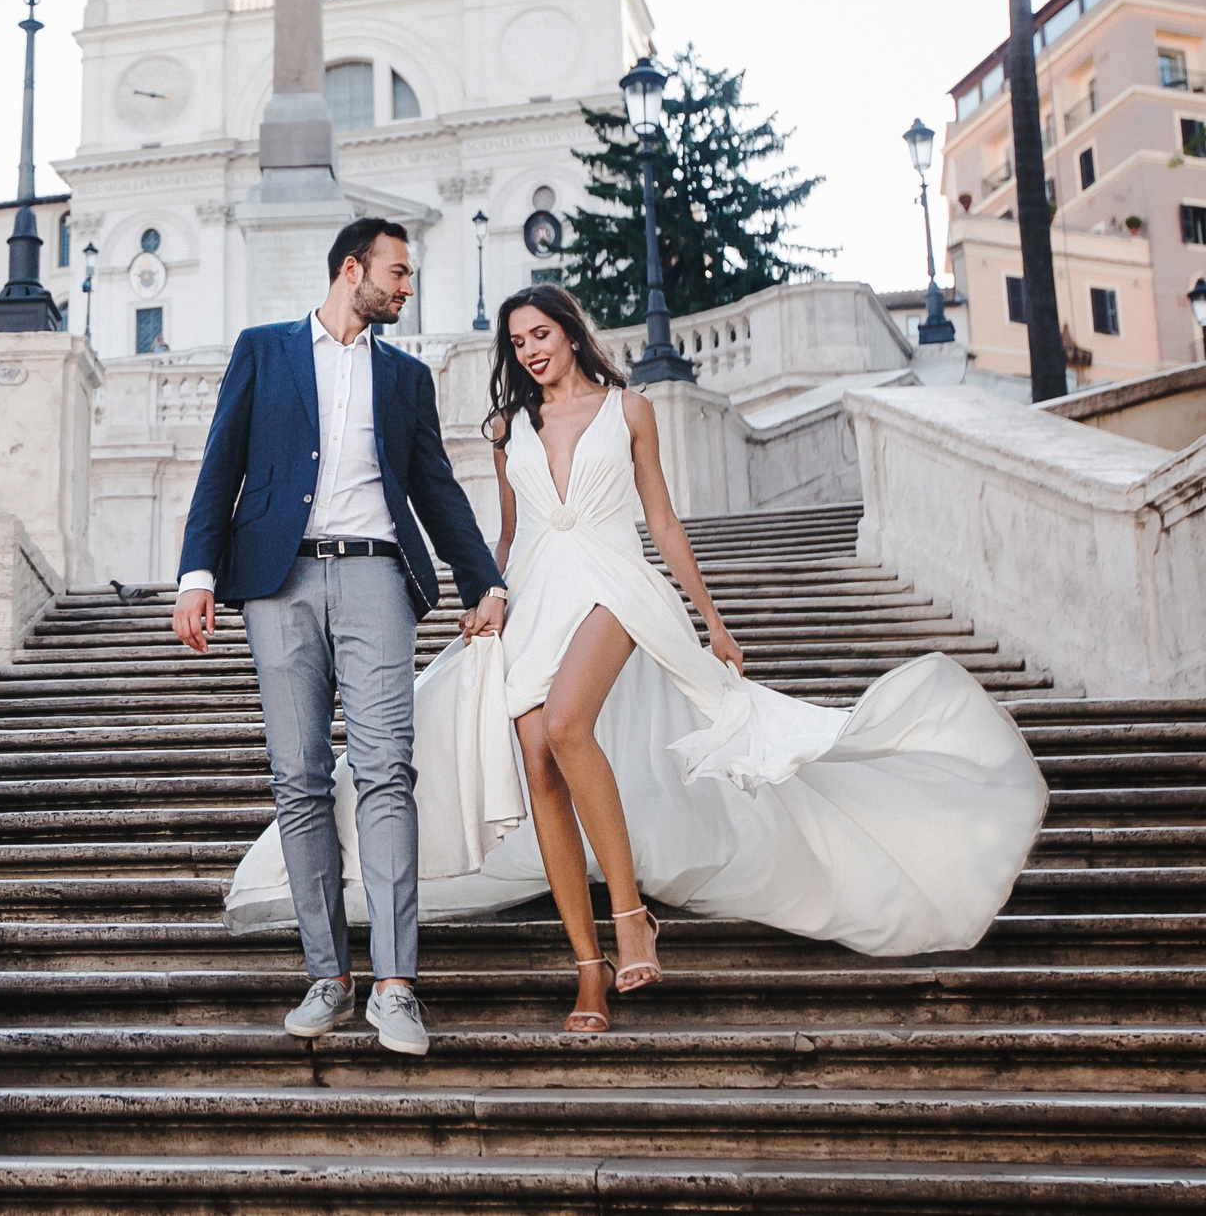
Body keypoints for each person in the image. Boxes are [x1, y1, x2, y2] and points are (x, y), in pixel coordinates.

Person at [223, 282, 1047, 1035]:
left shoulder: (631, 409)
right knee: (537, 758)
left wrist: (712, 621)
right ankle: (588, 971)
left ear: (572, 333)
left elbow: (662, 519)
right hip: (538, 592)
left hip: (616, 581)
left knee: (571, 724)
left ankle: (630, 917)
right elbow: (509, 538)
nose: (530, 350)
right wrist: (488, 597)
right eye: (517, 342)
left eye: (541, 332)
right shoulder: (512, 429)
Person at [172, 218, 507, 1056]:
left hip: (377, 578)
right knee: (299, 777)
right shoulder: (264, 350)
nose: (407, 286)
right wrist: (196, 574)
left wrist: (484, 580)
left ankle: (396, 984)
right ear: (351, 268)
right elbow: (224, 465)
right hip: (276, 584)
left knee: (388, 770)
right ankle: (329, 973)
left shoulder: (406, 378)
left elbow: (434, 484)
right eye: (398, 272)